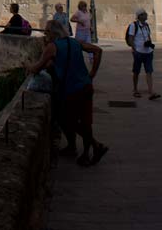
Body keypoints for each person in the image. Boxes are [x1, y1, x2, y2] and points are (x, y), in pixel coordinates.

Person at [27, 20, 108, 166]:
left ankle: (94, 147)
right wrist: (92, 74)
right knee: (84, 120)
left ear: (53, 33)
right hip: (86, 86)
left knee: (66, 119)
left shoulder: (52, 47)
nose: (45, 35)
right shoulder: (74, 42)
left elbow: (37, 68)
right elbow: (97, 50)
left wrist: (27, 66)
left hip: (71, 89)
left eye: (47, 32)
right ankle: (85, 151)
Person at [127, 8, 161, 100]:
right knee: (136, 71)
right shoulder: (133, 25)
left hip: (148, 52)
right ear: (140, 16)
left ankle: (151, 91)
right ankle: (135, 89)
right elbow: (130, 38)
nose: (146, 15)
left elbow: (148, 36)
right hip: (138, 52)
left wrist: (150, 45)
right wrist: (134, 49)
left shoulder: (146, 25)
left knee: (149, 71)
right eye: (144, 14)